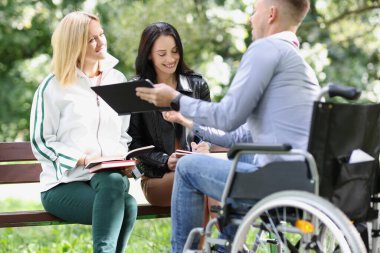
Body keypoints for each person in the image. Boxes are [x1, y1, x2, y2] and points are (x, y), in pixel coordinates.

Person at [135, 0, 320, 252]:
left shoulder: (265, 49)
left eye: (255, 10)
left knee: (189, 167)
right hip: (304, 178)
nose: (251, 19)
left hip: (274, 182)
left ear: (271, 14)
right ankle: (228, 245)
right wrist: (191, 123)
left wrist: (176, 100)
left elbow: (227, 116)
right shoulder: (298, 64)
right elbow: (243, 134)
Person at [30, 11, 137, 253]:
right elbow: (41, 143)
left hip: (107, 179)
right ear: (74, 44)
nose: (101, 43)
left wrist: (120, 160)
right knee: (126, 204)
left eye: (101, 34)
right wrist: (85, 160)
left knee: (116, 187)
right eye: (91, 39)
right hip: (63, 185)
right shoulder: (52, 86)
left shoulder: (118, 80)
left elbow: (123, 135)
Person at [127, 22, 211, 207]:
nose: (171, 58)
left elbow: (207, 128)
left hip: (196, 167)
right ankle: (220, 236)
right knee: (202, 179)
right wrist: (166, 161)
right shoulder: (137, 90)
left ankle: (203, 237)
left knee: (204, 178)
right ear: (149, 54)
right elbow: (133, 142)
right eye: (162, 54)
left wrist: (204, 146)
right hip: (158, 178)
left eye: (175, 51)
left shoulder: (197, 86)